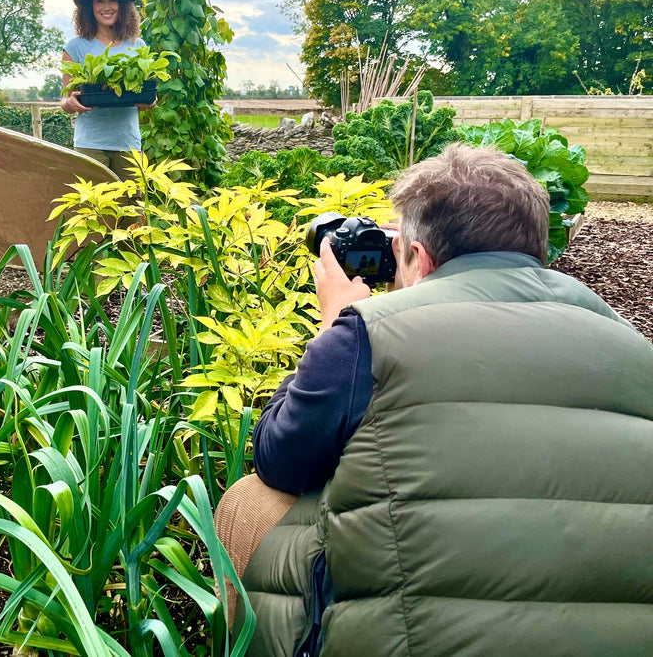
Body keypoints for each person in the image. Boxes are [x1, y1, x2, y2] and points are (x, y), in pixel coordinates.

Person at [215, 144, 653, 656]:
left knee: (251, 500)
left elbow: (279, 459)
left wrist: (334, 327)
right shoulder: (631, 341)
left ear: (419, 258)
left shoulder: (368, 337)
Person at [60, 0, 154, 178]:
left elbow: (148, 96)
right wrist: (70, 104)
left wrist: (149, 100)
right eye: (99, 1)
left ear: (122, 5)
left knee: (132, 207)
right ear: (89, 8)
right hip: (91, 143)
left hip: (128, 143)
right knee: (94, 208)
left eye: (112, 0)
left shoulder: (138, 46)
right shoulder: (75, 47)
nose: (106, 6)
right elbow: (65, 98)